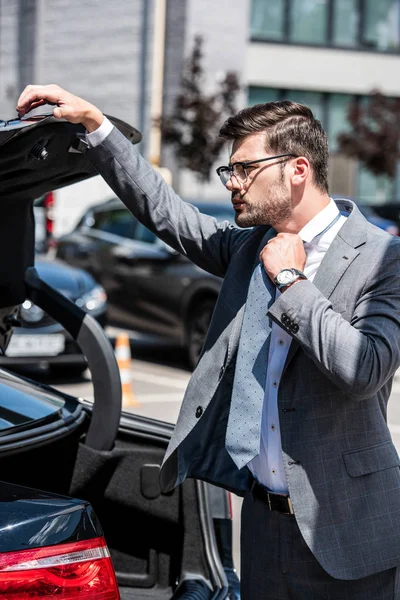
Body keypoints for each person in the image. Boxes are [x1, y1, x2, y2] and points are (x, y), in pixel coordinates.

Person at [17, 84, 400, 599]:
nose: (232, 184)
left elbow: (364, 369)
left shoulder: (382, 257)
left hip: (350, 533)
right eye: (230, 171)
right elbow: (166, 212)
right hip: (262, 524)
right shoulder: (247, 247)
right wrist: (94, 125)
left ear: (298, 169)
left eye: (244, 169)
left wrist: (292, 283)